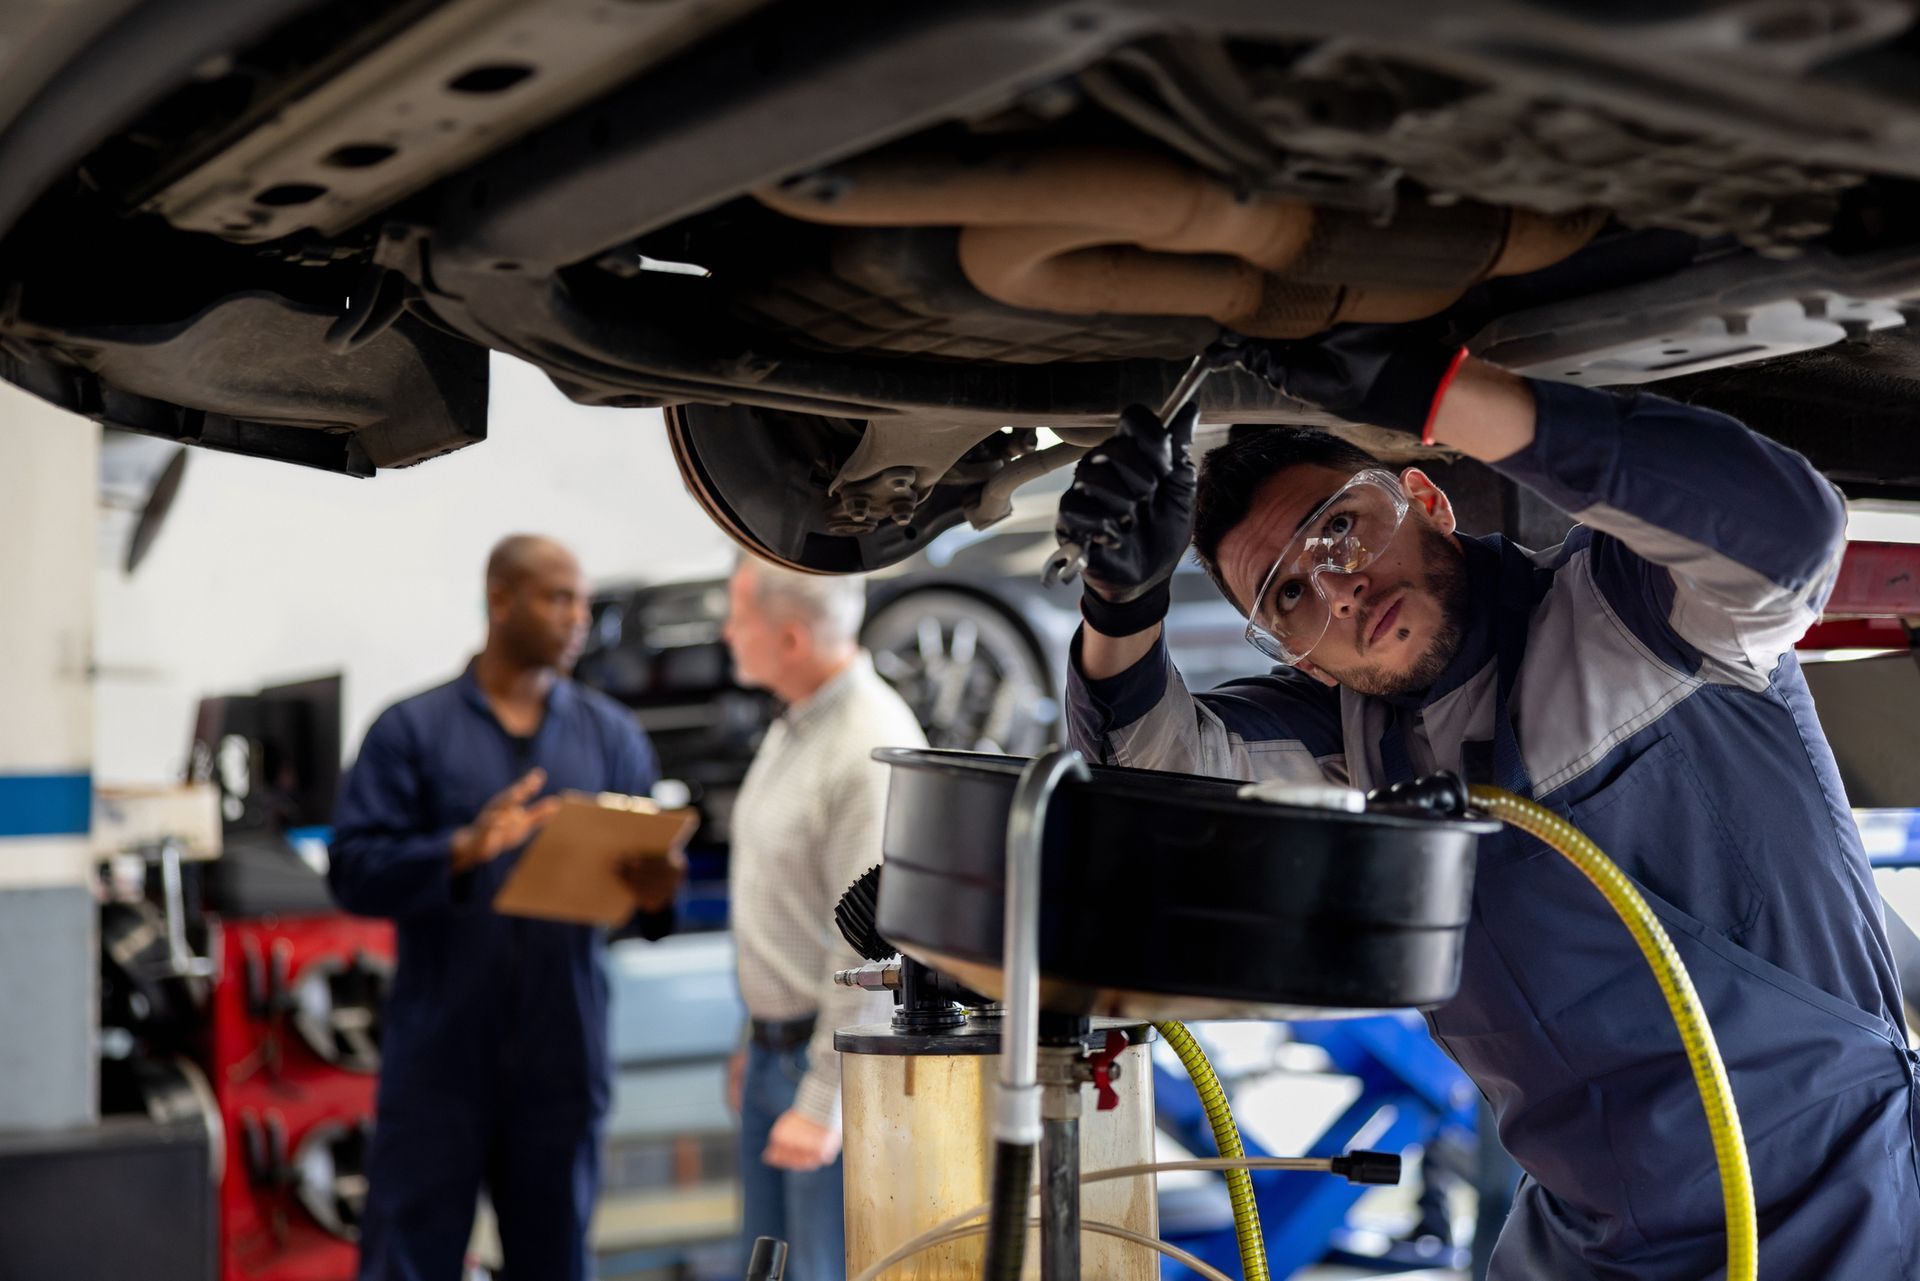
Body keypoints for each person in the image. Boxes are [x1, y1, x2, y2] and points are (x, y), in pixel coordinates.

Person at [1058, 328, 1920, 1279]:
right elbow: (1142, 796)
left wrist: (1442, 390)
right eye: (1290, 593)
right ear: (1291, 651)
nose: (1339, 589)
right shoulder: (1352, 743)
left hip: (1824, 1204)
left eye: (1340, 527)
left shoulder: (1638, 613)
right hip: (1593, 1239)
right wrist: (1121, 602)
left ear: (1423, 494)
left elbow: (1790, 528)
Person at [329, 534, 684, 1281]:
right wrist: (462, 848)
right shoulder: (410, 731)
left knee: (555, 1261)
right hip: (440, 1057)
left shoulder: (611, 735)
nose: (578, 618)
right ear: (500, 599)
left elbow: (642, 899)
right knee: (408, 1260)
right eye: (559, 598)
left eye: (583, 601)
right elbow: (354, 873)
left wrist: (656, 891)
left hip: (563, 1052)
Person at [721, 558, 927, 1281]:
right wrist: (756, 1035)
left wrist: (823, 1100)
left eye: (737, 617)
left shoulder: (864, 748)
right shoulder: (797, 726)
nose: (725, 631)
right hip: (781, 1051)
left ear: (790, 638)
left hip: (835, 1067)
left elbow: (875, 948)